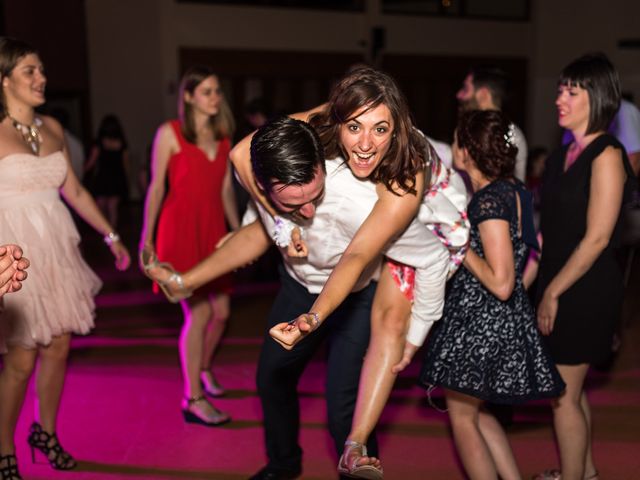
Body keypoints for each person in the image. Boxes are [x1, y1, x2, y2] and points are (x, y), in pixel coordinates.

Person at [148, 65, 468, 480]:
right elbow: (246, 156)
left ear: (396, 130)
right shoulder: (307, 150)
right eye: (355, 126)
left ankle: (354, 457)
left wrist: (313, 319)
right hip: (299, 285)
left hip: (356, 296)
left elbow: (357, 258)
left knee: (342, 407)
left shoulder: (396, 190)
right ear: (337, 124)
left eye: (380, 129)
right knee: (271, 379)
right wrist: (275, 224)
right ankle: (283, 464)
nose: (365, 143)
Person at [0, 37, 130, 480]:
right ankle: (3, 448)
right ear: (4, 81)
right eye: (30, 72)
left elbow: (73, 190)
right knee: (21, 358)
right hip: (13, 251)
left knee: (58, 347)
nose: (42, 79)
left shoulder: (53, 127)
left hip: (56, 247)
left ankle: (46, 433)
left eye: (41, 70)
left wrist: (111, 234)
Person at [420, 109, 565, 480]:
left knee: (462, 416)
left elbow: (500, 282)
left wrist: (459, 244)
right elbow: (538, 248)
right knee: (477, 410)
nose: (452, 147)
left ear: (467, 151)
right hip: (498, 316)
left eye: (455, 140)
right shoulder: (514, 191)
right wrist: (518, 292)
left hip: (479, 321)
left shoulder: (487, 201)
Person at [533, 53, 635, 480]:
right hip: (557, 280)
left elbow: (597, 238)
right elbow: (548, 231)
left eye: (571, 91)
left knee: (562, 395)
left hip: (585, 288)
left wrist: (553, 292)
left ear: (598, 98)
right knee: (570, 390)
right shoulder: (560, 157)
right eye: (559, 88)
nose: (560, 98)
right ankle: (585, 471)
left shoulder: (607, 155)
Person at [139, 65, 240, 427]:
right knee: (198, 314)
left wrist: (236, 233)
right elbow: (156, 188)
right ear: (188, 96)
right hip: (179, 231)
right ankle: (192, 397)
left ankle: (203, 367)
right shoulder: (170, 134)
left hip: (212, 234)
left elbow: (227, 190)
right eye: (207, 91)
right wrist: (146, 238)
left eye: (217, 91)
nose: (215, 97)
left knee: (223, 313)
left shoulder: (225, 137)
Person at [457, 66, 528, 182]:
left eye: (465, 89)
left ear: (483, 94)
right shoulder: (468, 129)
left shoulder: (512, 134)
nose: (459, 95)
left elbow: (515, 186)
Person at [84, 114, 130, 229]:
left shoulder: (99, 143)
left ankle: (105, 232)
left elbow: (91, 162)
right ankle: (112, 234)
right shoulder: (121, 143)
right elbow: (126, 164)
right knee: (112, 208)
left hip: (103, 177)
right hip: (116, 177)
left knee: (101, 207)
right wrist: (127, 179)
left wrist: (80, 171)